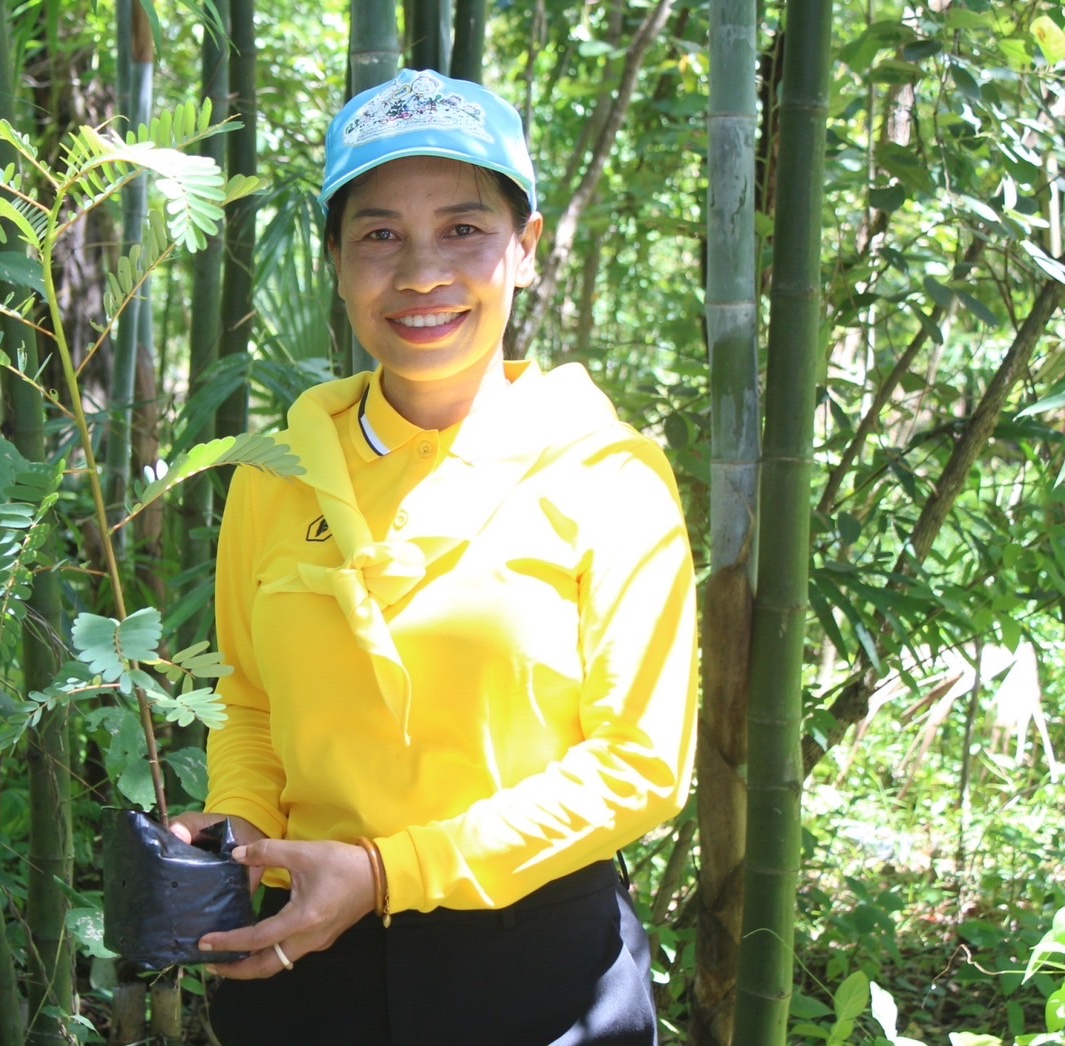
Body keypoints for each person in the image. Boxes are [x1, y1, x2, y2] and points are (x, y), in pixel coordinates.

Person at [170, 68, 697, 1046]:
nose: (419, 273)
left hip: (539, 970)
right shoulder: (275, 475)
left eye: (463, 229)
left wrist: (381, 873)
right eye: (378, 234)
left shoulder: (606, 474)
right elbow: (246, 698)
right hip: (299, 962)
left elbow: (640, 766)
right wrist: (237, 823)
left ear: (524, 250)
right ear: (335, 257)